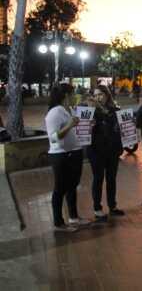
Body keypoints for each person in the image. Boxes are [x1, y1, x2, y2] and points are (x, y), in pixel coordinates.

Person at [45, 83, 89, 232]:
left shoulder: (68, 110)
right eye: (73, 94)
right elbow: (53, 138)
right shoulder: (54, 113)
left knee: (72, 186)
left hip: (73, 152)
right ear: (66, 96)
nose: (75, 97)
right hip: (61, 155)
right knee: (60, 188)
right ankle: (59, 223)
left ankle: (74, 217)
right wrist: (69, 125)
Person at [87, 85, 125, 221]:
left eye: (101, 95)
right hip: (96, 151)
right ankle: (97, 209)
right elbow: (84, 131)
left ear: (107, 95)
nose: (98, 97)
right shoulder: (90, 112)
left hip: (112, 150)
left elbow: (121, 129)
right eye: (96, 95)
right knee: (98, 179)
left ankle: (112, 206)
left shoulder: (115, 111)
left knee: (111, 179)